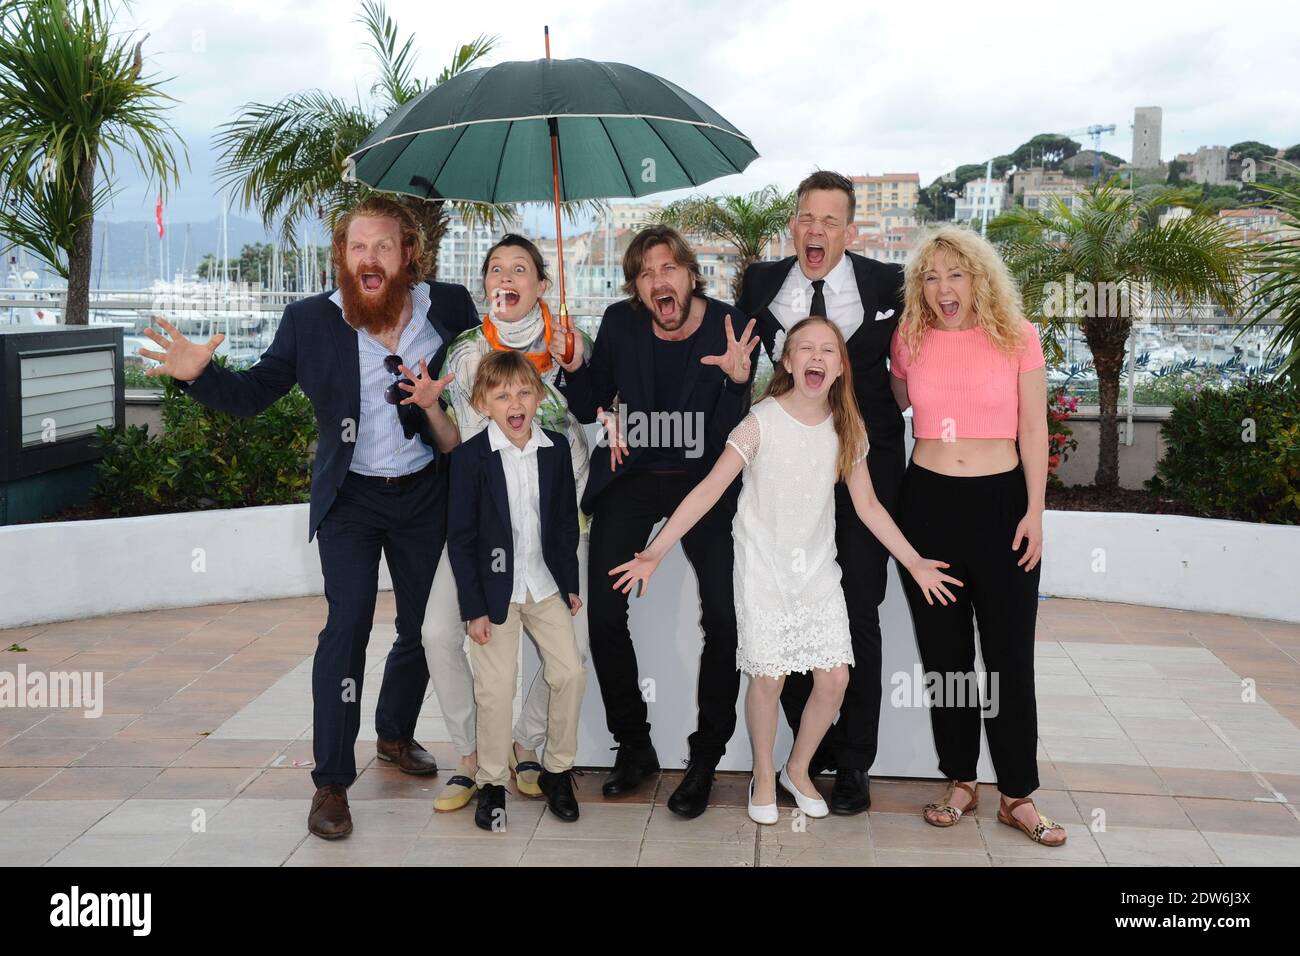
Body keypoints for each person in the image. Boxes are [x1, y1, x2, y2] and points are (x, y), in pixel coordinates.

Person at [136, 196, 479, 839]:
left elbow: (488, 374)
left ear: (409, 254)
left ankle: (395, 735)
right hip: (350, 497)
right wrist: (198, 377)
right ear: (342, 259)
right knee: (345, 627)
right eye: (357, 247)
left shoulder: (451, 307)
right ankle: (330, 781)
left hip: (426, 493)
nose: (369, 258)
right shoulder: (309, 321)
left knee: (424, 628)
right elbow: (254, 394)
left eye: (382, 246)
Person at [609, 317, 961, 825]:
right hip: (763, 565)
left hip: (817, 568)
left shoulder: (847, 427)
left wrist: (914, 562)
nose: (816, 357)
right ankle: (763, 774)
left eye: (828, 350)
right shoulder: (761, 420)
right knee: (769, 679)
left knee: (835, 678)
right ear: (788, 362)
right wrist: (655, 551)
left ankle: (798, 769)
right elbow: (709, 489)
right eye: (805, 348)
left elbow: (869, 507)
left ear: (840, 367)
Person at [554, 225, 759, 818]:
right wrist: (574, 367)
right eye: (645, 273)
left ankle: (705, 758)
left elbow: (731, 428)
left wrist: (740, 379)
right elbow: (593, 394)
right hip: (635, 476)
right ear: (637, 288)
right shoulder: (620, 323)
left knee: (723, 612)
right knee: (605, 606)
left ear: (690, 274)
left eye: (667, 268)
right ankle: (635, 745)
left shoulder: (728, 325)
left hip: (706, 484)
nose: (657, 281)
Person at [888, 225, 1064, 846]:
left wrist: (1035, 512)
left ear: (979, 278)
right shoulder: (908, 339)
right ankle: (961, 779)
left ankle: (1018, 792)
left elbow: (1035, 431)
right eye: (930, 277)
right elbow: (897, 407)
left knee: (1010, 658)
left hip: (1003, 506)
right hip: (929, 506)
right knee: (947, 659)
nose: (942, 288)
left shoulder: (1018, 337)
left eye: (955, 274)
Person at [738, 170, 907, 814]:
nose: (816, 231)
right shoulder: (760, 283)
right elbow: (747, 368)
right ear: (794, 224)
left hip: (865, 465)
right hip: (789, 472)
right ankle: (800, 755)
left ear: (849, 230)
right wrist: (734, 379)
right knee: (786, 602)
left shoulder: (886, 284)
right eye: (807, 218)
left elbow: (913, 358)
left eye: (830, 221)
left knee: (857, 609)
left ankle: (852, 759)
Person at [421, 234, 594, 813]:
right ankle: (475, 760)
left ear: (541, 284)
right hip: (483, 519)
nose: (506, 277)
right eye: (496, 268)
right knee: (441, 633)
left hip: (556, 520)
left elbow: (599, 405)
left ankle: (531, 745)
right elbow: (450, 441)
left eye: (520, 269)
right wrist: (426, 406)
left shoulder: (571, 342)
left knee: (568, 655)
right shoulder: (465, 350)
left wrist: (576, 366)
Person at [447, 349, 585, 831]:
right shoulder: (469, 459)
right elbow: (461, 540)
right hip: (494, 593)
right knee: (496, 687)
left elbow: (565, 526)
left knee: (568, 672)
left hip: (544, 584)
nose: (515, 402)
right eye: (503, 394)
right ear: (483, 403)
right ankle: (490, 784)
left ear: (539, 395)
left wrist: (569, 584)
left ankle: (559, 770)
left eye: (525, 391)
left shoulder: (555, 450)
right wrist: (474, 608)